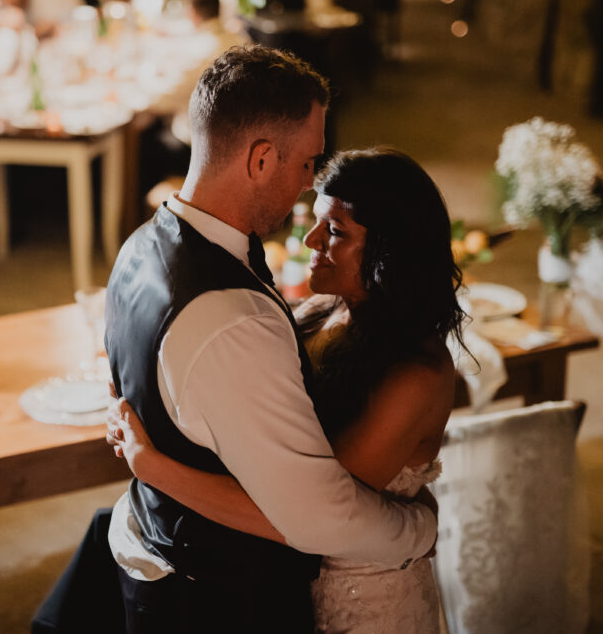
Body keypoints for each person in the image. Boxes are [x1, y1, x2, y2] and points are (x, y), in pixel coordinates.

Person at [32, 46, 438, 634]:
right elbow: (319, 515)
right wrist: (420, 527)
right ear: (261, 159)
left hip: (161, 554)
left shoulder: (143, 244)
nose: (306, 184)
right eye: (305, 163)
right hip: (215, 604)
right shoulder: (229, 320)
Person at [107, 147, 466, 632]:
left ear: (390, 251)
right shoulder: (325, 312)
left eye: (336, 232)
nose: (311, 238)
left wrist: (152, 467)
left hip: (364, 600)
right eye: (317, 221)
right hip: (288, 585)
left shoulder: (416, 376)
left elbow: (308, 520)